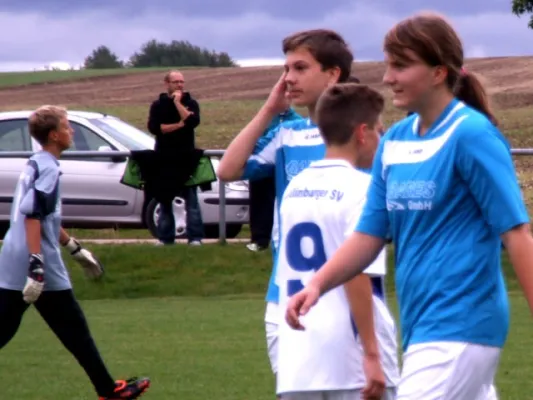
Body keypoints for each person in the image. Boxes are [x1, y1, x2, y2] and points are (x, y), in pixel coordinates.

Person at [285, 12, 533, 400]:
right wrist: (318, 282)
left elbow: (517, 234)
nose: (387, 77)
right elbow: (369, 234)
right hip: (421, 326)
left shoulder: (471, 134)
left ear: (438, 72)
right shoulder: (395, 141)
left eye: (400, 65)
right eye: (387, 65)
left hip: (462, 323)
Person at [217, 29, 354, 398]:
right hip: (284, 297)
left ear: (333, 73)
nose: (288, 78)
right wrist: (269, 109)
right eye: (285, 69)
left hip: (343, 297)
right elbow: (227, 170)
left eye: (300, 67)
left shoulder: (362, 137)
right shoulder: (288, 135)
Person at [0, 105, 151, 400]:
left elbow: (44, 216)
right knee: (74, 329)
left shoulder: (37, 162)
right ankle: (109, 391)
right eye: (68, 127)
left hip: (12, 256)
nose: (71, 132)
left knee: (6, 325)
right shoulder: (50, 169)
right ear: (55, 135)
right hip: (36, 260)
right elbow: (32, 214)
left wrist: (74, 248)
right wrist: (37, 263)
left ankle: (107, 389)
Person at [275, 83, 399, 400]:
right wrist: (372, 354)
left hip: (299, 361)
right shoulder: (363, 188)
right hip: (350, 359)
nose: (381, 140)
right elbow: (357, 272)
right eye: (379, 130)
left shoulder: (295, 187)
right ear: (362, 133)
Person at [147, 70, 204, 246]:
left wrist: (178, 103)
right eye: (175, 82)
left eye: (181, 82)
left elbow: (192, 122)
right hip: (164, 157)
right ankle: (165, 238)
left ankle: (195, 238)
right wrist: (179, 125)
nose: (179, 85)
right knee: (165, 200)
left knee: (192, 201)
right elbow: (156, 128)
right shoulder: (158, 105)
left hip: (187, 157)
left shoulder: (190, 102)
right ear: (167, 84)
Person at [247, 107, 303, 252]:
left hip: (284, 168)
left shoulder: (297, 120)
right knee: (260, 202)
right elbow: (256, 137)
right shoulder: (266, 119)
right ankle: (260, 240)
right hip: (263, 167)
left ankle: (288, 237)